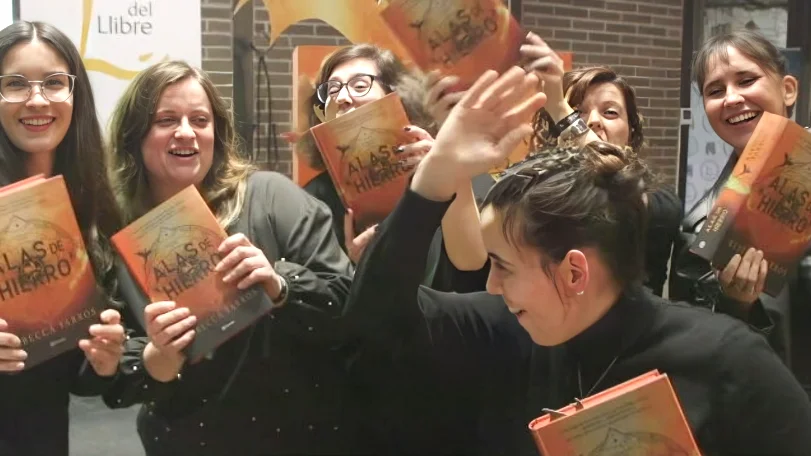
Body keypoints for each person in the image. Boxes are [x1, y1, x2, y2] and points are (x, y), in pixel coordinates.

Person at [345, 66, 811, 455]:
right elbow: (373, 320)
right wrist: (435, 178)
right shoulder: (505, 330)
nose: (490, 285)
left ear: (573, 272)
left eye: (503, 265)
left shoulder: (727, 361)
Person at [102, 60, 357, 455]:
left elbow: (350, 302)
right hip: (183, 442)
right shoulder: (116, 238)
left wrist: (280, 285)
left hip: (296, 438)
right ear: (134, 136)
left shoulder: (270, 197)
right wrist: (158, 358)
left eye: (200, 120)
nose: (186, 132)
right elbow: (113, 378)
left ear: (216, 134)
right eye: (166, 119)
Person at [0, 21, 126, 456]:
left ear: (76, 95)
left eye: (55, 83)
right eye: (15, 84)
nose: (37, 99)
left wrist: (103, 358)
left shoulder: (92, 204)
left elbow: (72, 372)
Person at [670, 29, 806, 368]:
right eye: (715, 90)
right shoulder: (701, 222)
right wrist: (737, 303)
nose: (731, 98)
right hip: (769, 401)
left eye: (746, 80)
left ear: (788, 89)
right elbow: (696, 339)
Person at [292, 43, 487, 279]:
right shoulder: (316, 199)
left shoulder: (449, 169)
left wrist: (446, 172)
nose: (341, 97)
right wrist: (359, 269)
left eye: (360, 85)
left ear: (397, 95)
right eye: (332, 91)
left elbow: (472, 262)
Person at [528, 61, 682, 297]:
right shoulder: (533, 195)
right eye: (577, 112)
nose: (592, 121)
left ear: (631, 130)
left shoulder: (658, 200)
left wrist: (561, 109)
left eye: (610, 112)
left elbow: (622, 192)